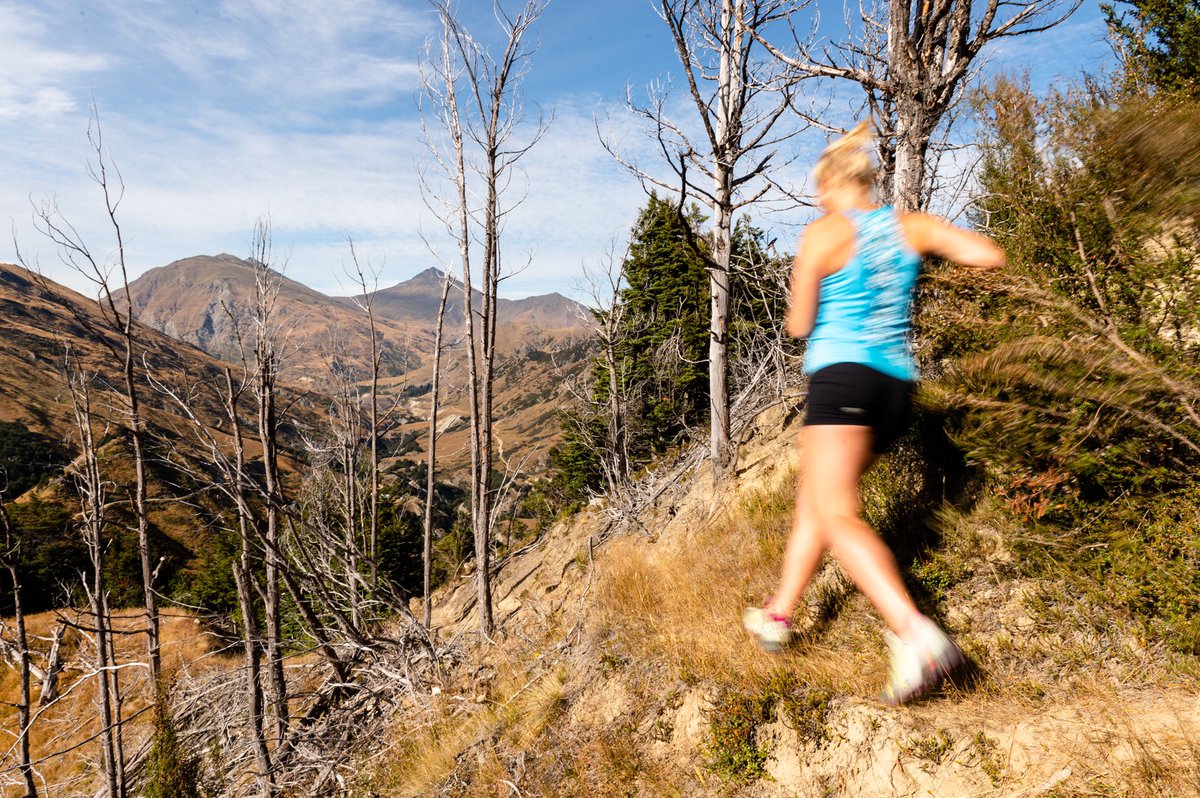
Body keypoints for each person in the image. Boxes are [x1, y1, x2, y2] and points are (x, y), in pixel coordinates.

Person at [742, 121, 1005, 705]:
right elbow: (988, 255)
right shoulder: (910, 226)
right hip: (895, 389)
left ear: (836, 184)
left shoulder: (824, 233)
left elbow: (799, 324)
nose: (817, 198)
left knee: (837, 513)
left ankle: (916, 637)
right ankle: (779, 615)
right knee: (819, 499)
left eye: (819, 188)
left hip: (842, 380)